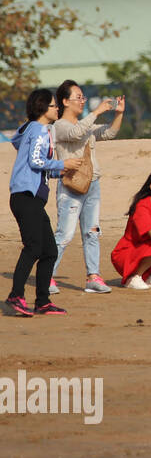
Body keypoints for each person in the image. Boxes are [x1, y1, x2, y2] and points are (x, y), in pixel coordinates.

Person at [5, 89, 83, 317]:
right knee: (34, 247)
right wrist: (62, 164)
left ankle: (43, 301)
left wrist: (61, 172)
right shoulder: (39, 129)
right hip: (26, 197)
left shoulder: (32, 128)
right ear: (42, 108)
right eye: (53, 105)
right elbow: (37, 160)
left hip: (29, 198)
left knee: (49, 250)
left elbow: (20, 145)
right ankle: (15, 296)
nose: (57, 108)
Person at [51, 82, 124, 295]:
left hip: (93, 184)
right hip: (71, 186)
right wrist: (97, 111)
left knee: (92, 232)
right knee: (64, 234)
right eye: (78, 97)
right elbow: (75, 133)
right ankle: (48, 276)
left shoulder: (86, 124)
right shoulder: (60, 126)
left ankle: (93, 276)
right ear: (65, 101)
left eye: (83, 97)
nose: (82, 100)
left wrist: (118, 114)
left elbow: (108, 133)